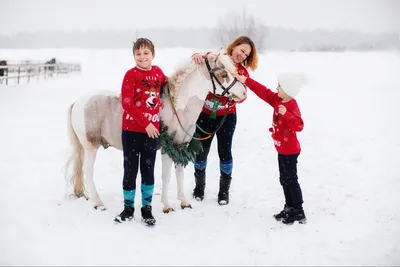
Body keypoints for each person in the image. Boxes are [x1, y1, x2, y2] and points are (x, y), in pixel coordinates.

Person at [191, 36, 259, 205]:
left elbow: (243, 95)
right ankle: (199, 187)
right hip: (205, 115)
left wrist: (233, 95)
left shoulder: (241, 72)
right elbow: (199, 60)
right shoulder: (217, 58)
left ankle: (224, 192)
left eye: (246, 54)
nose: (242, 55)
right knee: (201, 152)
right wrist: (196, 56)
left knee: (225, 152)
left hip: (227, 117)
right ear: (234, 46)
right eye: (242, 50)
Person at [234, 72, 307, 224]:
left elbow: (299, 126)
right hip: (281, 150)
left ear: (288, 90)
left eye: (280, 86)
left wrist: (286, 114)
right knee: (284, 180)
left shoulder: (291, 105)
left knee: (291, 180)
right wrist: (246, 80)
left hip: (290, 151)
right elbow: (263, 91)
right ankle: (289, 207)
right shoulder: (278, 100)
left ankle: (298, 211)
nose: (276, 88)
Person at [114, 38, 167, 226]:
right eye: (138, 54)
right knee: (130, 170)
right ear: (133, 56)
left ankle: (147, 209)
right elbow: (127, 103)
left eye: (146, 53)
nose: (142, 57)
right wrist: (146, 124)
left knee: (148, 169)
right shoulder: (131, 75)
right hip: (132, 131)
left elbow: (171, 85)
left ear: (153, 54)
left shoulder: (159, 74)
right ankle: (128, 208)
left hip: (151, 134)